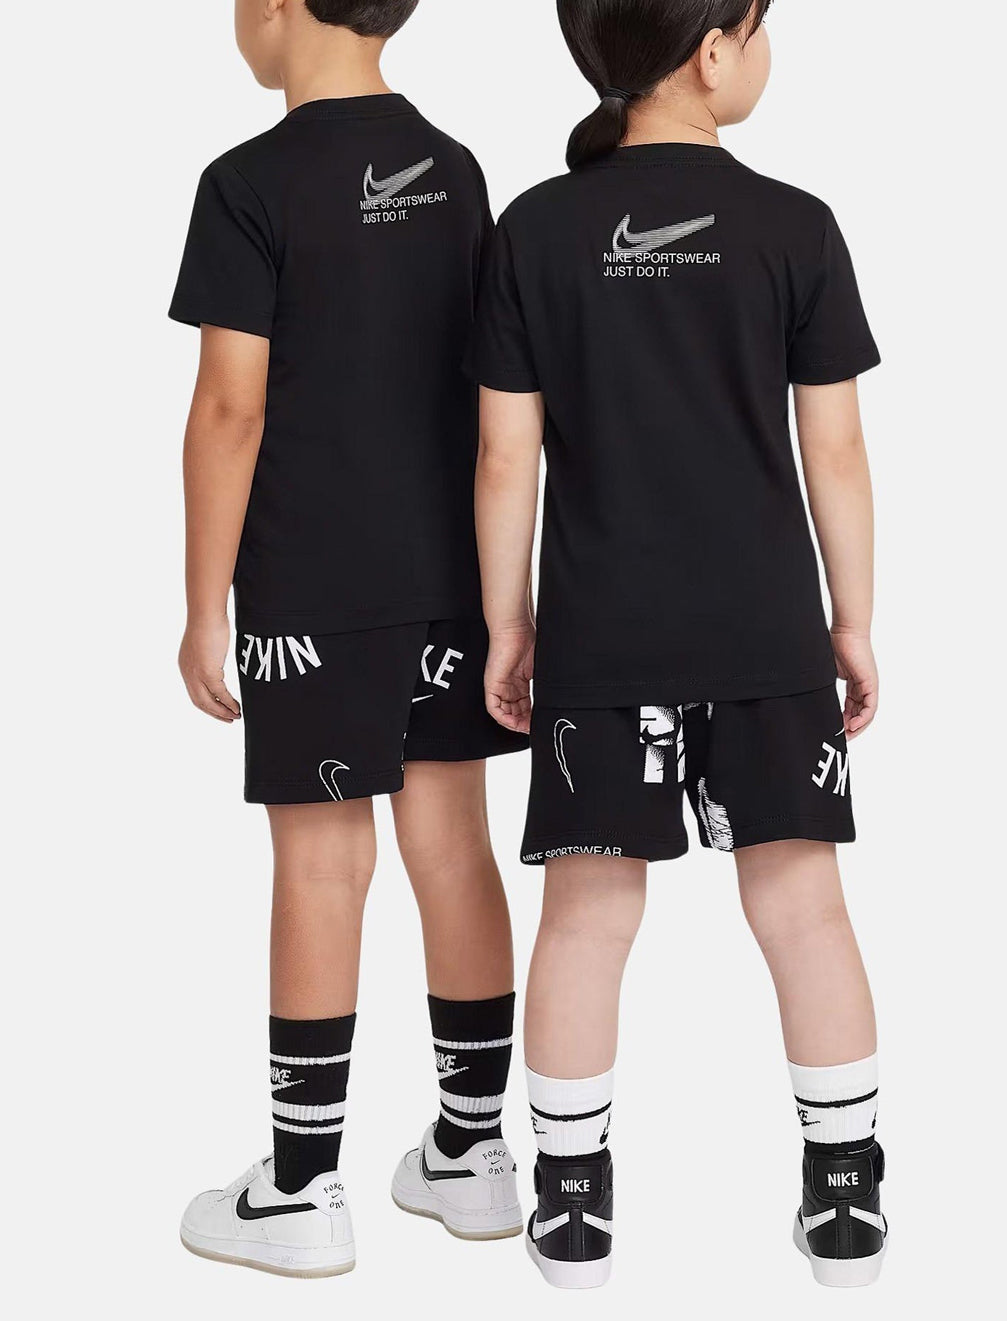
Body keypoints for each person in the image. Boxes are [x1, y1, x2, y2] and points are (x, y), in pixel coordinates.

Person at [474, 0, 885, 1290]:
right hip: (766, 633)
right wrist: (851, 621)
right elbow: (834, 450)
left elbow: (503, 458)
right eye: (760, 27)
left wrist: (507, 624)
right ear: (711, 49)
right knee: (803, 911)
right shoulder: (794, 226)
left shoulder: (534, 230)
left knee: (585, 919)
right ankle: (844, 1202)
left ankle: (570, 1211)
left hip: (601, 639)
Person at [169, 0, 527, 1278]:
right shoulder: (457, 170)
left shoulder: (246, 183)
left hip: (312, 581)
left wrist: (203, 601)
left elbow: (229, 409)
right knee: (452, 848)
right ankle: (472, 1155)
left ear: (274, 5)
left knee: (324, 864)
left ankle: (301, 1185)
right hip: (448, 577)